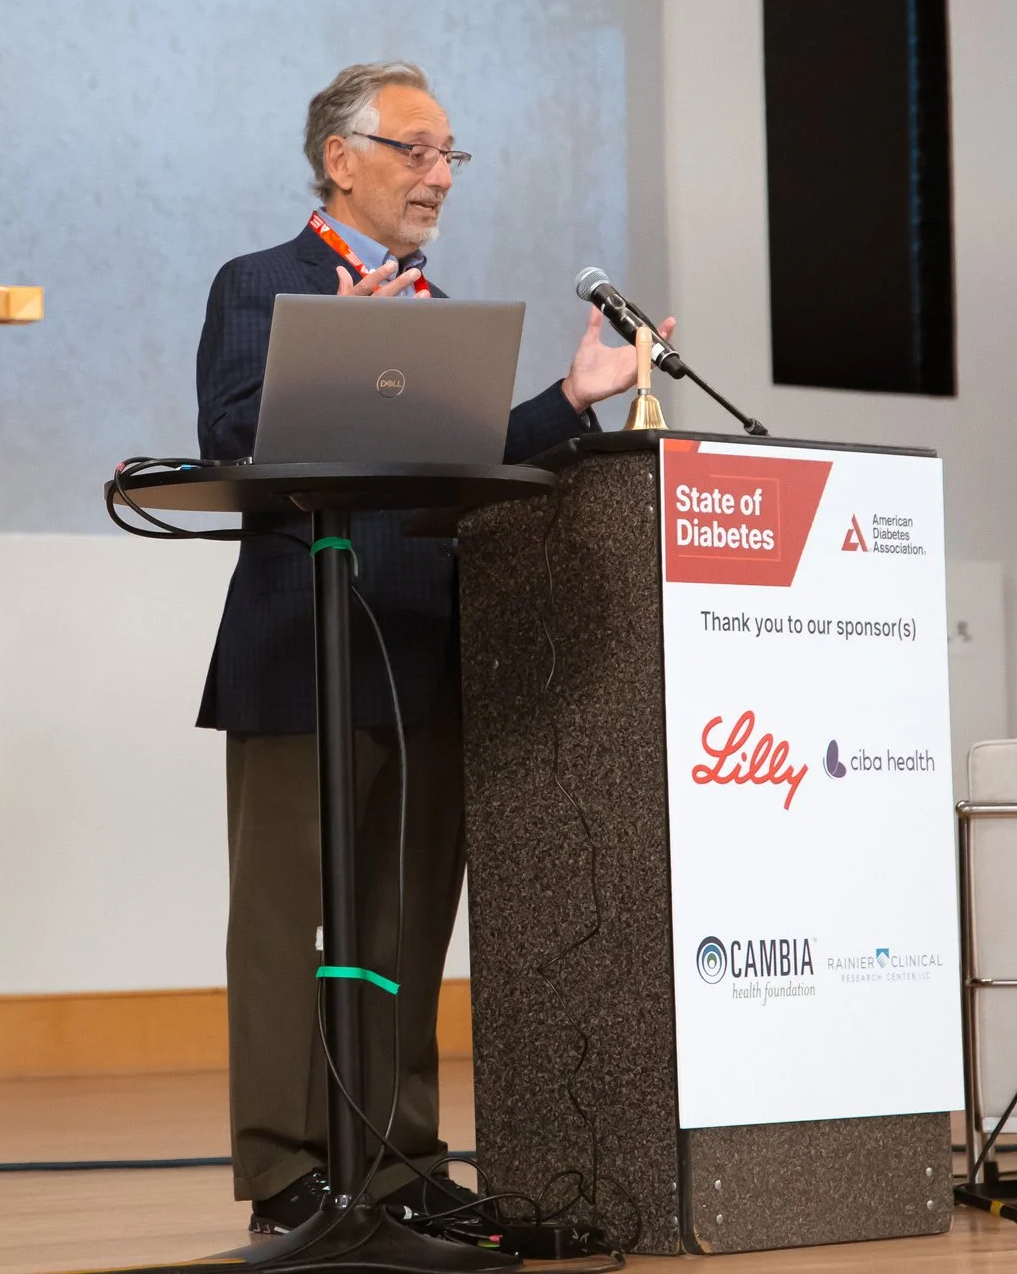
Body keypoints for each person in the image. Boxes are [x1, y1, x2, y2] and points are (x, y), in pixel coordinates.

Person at [194, 61, 665, 1235]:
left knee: (401, 925)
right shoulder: (263, 284)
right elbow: (235, 438)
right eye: (415, 148)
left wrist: (570, 395)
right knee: (285, 923)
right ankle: (285, 1169)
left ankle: (398, 1161)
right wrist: (332, 356)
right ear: (340, 157)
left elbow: (457, 463)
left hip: (418, 653)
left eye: (451, 152)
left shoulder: (433, 305)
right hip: (301, 647)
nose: (439, 174)